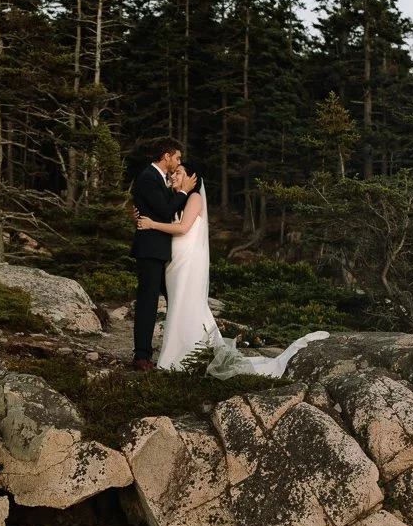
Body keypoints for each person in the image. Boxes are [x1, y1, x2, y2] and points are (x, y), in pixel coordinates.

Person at [138, 161, 328, 377]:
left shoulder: (194, 198)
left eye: (179, 173)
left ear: (192, 179)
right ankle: (182, 352)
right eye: (174, 173)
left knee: (187, 304)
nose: (173, 175)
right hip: (175, 264)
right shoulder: (176, 200)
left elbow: (182, 228)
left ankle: (183, 355)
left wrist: (152, 224)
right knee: (179, 306)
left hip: (188, 263)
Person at [130, 137, 189, 370]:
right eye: (177, 157)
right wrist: (183, 192)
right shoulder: (147, 177)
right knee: (148, 303)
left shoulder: (159, 178)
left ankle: (182, 348)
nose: (178, 162)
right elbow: (165, 210)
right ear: (166, 156)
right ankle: (141, 356)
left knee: (176, 299)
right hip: (150, 249)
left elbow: (160, 209)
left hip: (162, 250)